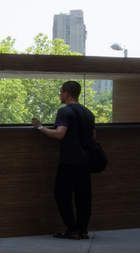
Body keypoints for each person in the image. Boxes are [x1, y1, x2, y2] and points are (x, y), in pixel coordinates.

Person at [31, 80, 95, 239]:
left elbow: (59, 134)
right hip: (86, 161)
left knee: (61, 194)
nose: (60, 95)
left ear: (67, 93)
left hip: (69, 161)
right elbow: (93, 138)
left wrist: (40, 127)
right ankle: (83, 230)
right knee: (83, 196)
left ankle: (72, 230)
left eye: (61, 92)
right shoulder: (88, 113)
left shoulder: (65, 111)